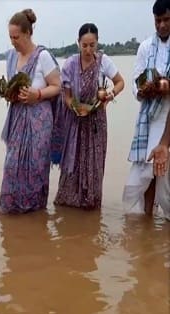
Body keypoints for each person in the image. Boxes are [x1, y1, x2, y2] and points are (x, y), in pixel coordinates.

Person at [0, 9, 62, 214]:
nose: (13, 41)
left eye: (16, 37)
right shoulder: (11, 57)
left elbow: (57, 86)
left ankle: (34, 218)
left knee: (35, 170)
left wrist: (38, 94)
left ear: (27, 33)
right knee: (12, 167)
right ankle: (12, 211)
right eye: (10, 37)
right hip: (17, 120)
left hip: (39, 122)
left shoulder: (42, 56)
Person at [54, 23, 125, 209]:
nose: (88, 49)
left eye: (92, 45)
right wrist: (76, 108)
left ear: (97, 43)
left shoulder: (104, 61)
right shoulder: (70, 64)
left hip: (96, 123)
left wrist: (110, 95)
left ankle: (90, 210)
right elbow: (66, 96)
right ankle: (68, 204)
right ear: (78, 43)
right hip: (75, 122)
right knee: (72, 165)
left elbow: (120, 82)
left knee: (94, 166)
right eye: (84, 45)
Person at [125, 0, 170, 216]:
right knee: (148, 169)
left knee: (165, 175)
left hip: (168, 113)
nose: (162, 25)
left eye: (167, 20)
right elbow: (135, 83)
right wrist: (143, 90)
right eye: (158, 20)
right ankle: (147, 219)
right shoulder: (145, 47)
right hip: (151, 116)